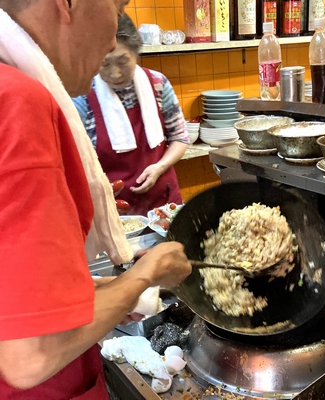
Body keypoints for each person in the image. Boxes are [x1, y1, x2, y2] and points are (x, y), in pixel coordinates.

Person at [0, 1, 191, 399]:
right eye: (117, 5)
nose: (112, 36)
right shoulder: (17, 101)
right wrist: (145, 274)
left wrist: (106, 293)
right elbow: (30, 356)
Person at [73, 14, 189, 216]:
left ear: (136, 53)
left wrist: (160, 167)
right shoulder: (82, 97)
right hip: (114, 211)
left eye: (123, 61)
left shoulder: (158, 84)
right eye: (105, 64)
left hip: (163, 203)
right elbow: (74, 162)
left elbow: (180, 137)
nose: (115, 73)